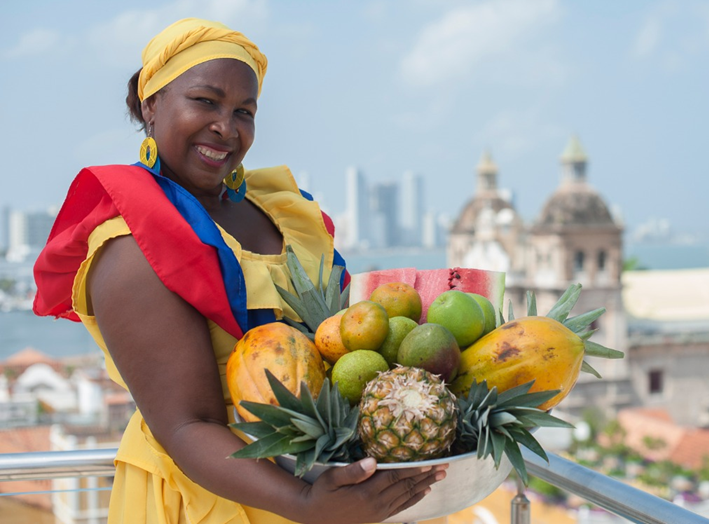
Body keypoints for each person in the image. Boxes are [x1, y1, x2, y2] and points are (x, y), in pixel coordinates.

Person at [32, 18, 445, 524]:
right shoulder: (132, 248)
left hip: (324, 488)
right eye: (205, 101)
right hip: (215, 498)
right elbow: (186, 426)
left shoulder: (280, 214)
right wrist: (305, 505)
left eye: (243, 111)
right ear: (151, 105)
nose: (226, 127)